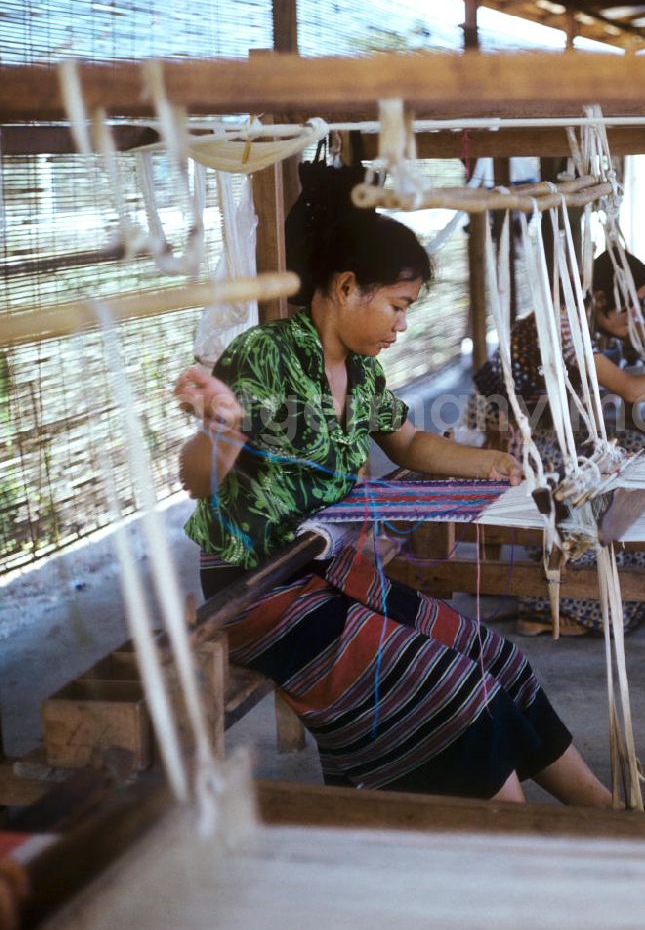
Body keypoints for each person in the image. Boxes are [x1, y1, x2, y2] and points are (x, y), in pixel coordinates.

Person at [175, 189, 612, 806]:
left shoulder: (361, 372)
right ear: (349, 286)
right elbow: (201, 476)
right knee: (452, 687)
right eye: (397, 306)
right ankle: (517, 851)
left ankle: (603, 813)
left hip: (325, 568)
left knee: (495, 656)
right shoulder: (265, 356)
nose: (403, 324)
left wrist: (489, 463)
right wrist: (218, 435)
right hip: (258, 589)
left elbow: (407, 443)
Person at [470, 248, 645, 636]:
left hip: (552, 429)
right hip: (514, 440)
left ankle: (621, 560)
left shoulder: (589, 311)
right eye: (631, 306)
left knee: (635, 452)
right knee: (610, 473)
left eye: (641, 304)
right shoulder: (564, 323)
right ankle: (552, 603)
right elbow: (631, 389)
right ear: (602, 298)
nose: (638, 316)